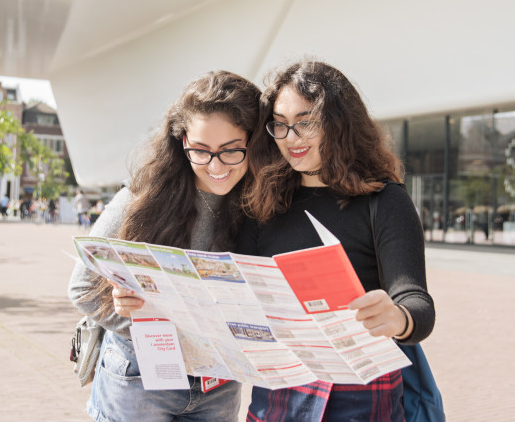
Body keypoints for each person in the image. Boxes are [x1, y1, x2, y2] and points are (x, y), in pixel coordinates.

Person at [237, 58, 436, 422]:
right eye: (279, 126)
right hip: (278, 395)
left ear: (338, 122)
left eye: (305, 122)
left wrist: (397, 317)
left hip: (361, 396)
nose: (290, 139)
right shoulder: (262, 203)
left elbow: (416, 302)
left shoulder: (384, 200)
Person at [68, 70, 261, 422]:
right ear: (181, 140)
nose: (215, 166)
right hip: (139, 377)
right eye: (200, 150)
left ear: (254, 142)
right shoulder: (143, 196)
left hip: (220, 382)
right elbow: (83, 287)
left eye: (231, 150)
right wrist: (143, 323)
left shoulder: (261, 205)